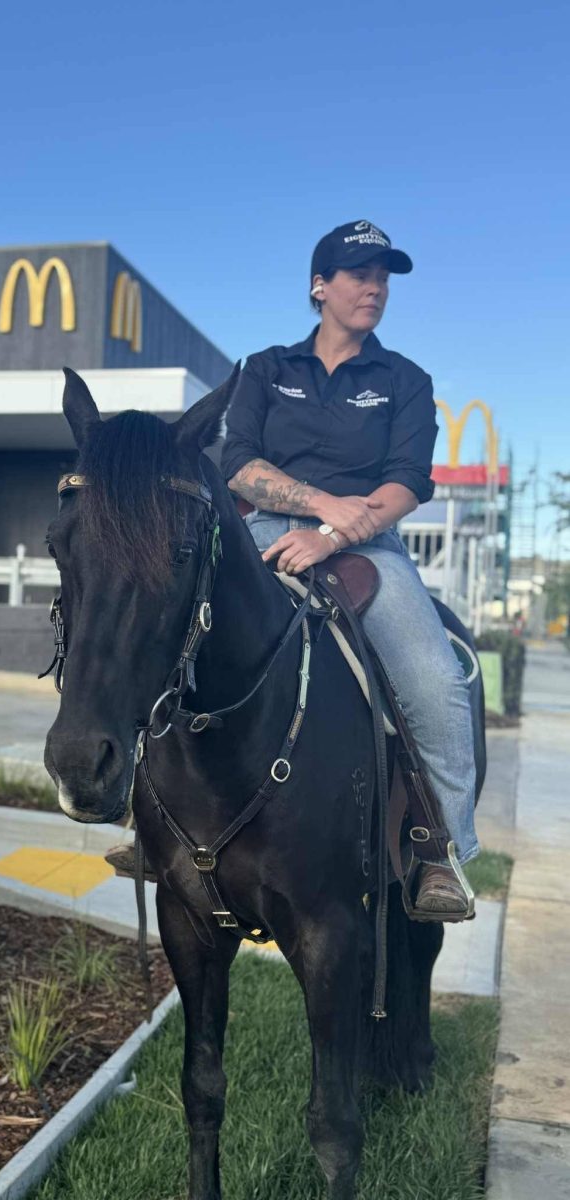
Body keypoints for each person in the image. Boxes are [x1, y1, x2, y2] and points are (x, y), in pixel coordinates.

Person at [220, 219, 478, 919]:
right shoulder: (267, 369)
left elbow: (405, 485)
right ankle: (145, 813)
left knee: (436, 680)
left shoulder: (405, 380)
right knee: (174, 620)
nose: (375, 287)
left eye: (384, 276)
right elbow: (237, 461)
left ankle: (440, 850)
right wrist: (316, 504)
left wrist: (334, 532)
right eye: (361, 273)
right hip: (265, 529)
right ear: (320, 286)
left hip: (368, 546)